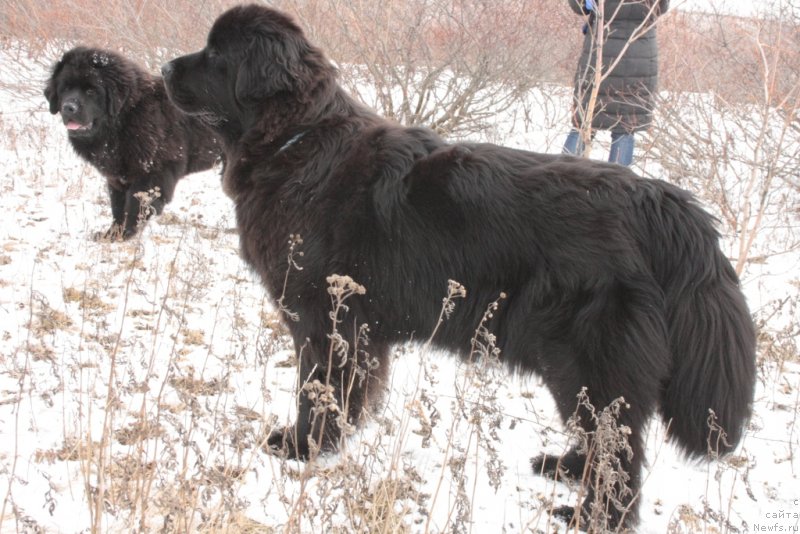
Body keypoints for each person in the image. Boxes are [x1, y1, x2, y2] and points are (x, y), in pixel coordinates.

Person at [563, 0, 669, 166]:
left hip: (600, 52)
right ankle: (619, 188)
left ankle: (563, 178)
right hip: (639, 57)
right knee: (625, 127)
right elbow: (660, 8)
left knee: (584, 123)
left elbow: (579, 6)